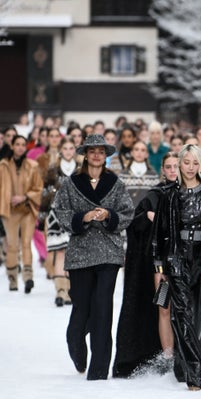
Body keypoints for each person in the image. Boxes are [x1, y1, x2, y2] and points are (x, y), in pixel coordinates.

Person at [52, 134, 134, 380]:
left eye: (101, 151)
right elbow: (60, 210)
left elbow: (127, 212)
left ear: (106, 155)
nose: (97, 155)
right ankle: (76, 345)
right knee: (80, 311)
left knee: (103, 310)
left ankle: (98, 371)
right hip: (80, 253)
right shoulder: (71, 183)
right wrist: (83, 218)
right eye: (92, 150)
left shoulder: (116, 183)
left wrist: (108, 215)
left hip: (109, 251)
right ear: (85, 154)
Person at [151, 144, 201, 390]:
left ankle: (183, 364)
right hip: (177, 258)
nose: (189, 167)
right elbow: (159, 231)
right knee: (182, 315)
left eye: (194, 163)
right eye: (185, 162)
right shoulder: (170, 195)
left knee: (198, 318)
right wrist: (159, 266)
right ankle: (196, 375)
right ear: (179, 164)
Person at [113, 152, 179, 378]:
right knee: (164, 307)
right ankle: (169, 358)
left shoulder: (191, 194)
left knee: (186, 311)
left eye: (176, 166)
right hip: (160, 265)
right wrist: (147, 217)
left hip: (186, 265)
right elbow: (135, 223)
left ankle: (185, 355)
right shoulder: (154, 196)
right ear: (162, 169)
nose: (172, 170)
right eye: (168, 167)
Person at [0, 135, 44, 293]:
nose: (20, 147)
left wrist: (24, 197)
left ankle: (28, 277)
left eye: (23, 144)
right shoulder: (3, 166)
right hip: (9, 210)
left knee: (26, 243)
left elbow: (39, 188)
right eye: (17, 144)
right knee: (12, 244)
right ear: (11, 146)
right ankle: (12, 278)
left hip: (27, 208)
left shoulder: (32, 165)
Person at [40, 137, 78, 306]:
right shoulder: (52, 170)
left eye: (72, 148)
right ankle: (60, 291)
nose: (69, 151)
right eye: (66, 148)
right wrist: (42, 217)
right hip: (55, 215)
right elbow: (45, 194)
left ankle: (70, 289)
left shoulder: (80, 171)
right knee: (60, 253)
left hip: (76, 216)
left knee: (72, 253)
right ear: (61, 150)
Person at [118, 140, 160, 207]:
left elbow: (156, 198)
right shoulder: (123, 174)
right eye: (136, 149)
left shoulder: (153, 175)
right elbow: (118, 198)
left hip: (146, 215)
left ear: (147, 154)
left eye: (143, 150)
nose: (139, 153)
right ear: (132, 153)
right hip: (127, 215)